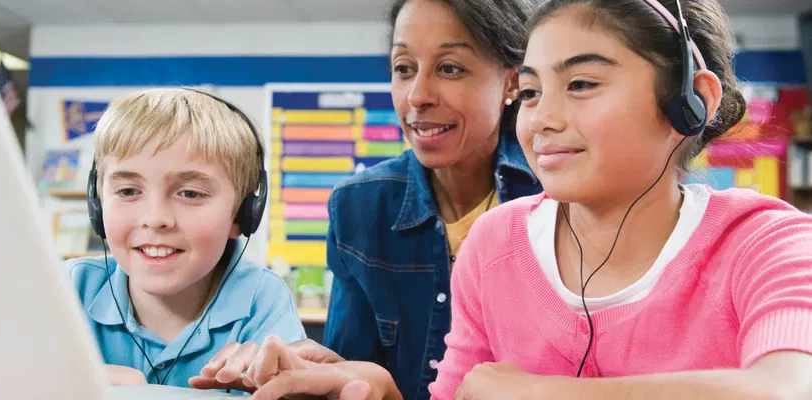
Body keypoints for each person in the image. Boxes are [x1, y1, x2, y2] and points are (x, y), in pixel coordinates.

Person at [199, 0, 812, 399]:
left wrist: (533, 391)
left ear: (689, 100)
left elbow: (786, 388)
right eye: (533, 91)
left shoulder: (766, 240)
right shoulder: (500, 242)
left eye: (580, 84)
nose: (542, 118)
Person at [190, 0, 542, 398]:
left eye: (450, 68)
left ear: (513, 82)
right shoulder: (359, 207)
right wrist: (313, 375)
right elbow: (352, 368)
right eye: (404, 69)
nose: (417, 96)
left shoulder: (556, 199)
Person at [64, 88, 306, 388]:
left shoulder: (261, 298)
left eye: (190, 193)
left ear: (242, 214)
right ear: (97, 205)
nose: (155, 219)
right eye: (128, 191)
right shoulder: (68, 289)